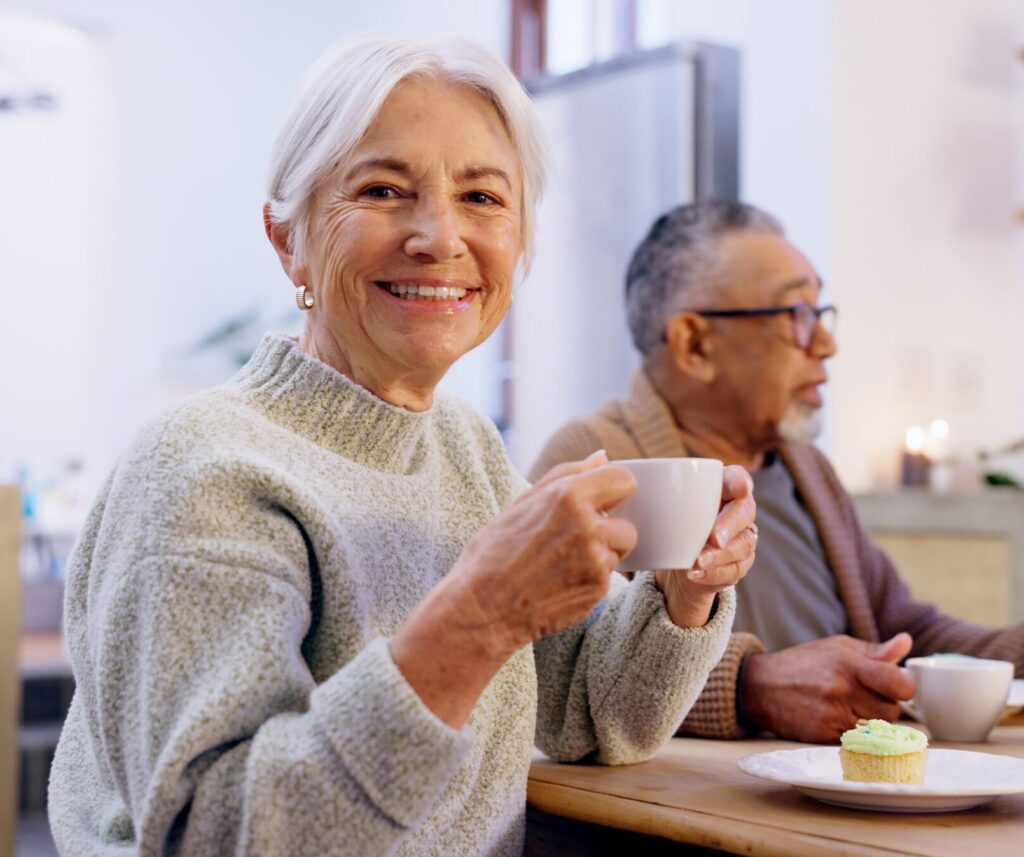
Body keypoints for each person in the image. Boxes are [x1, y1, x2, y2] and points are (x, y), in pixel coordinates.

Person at [47, 41, 758, 857]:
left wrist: (681, 596)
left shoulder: (465, 446)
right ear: (289, 239)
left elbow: (586, 718)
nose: (440, 237)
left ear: (519, 243)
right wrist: (479, 616)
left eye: (483, 196)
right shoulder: (204, 467)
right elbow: (214, 833)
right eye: (383, 190)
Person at [530, 200, 1024, 745]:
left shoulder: (806, 468)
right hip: (694, 810)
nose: (827, 343)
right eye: (797, 315)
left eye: (820, 312)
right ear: (695, 344)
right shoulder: (597, 458)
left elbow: (910, 633)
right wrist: (751, 685)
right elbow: (561, 674)